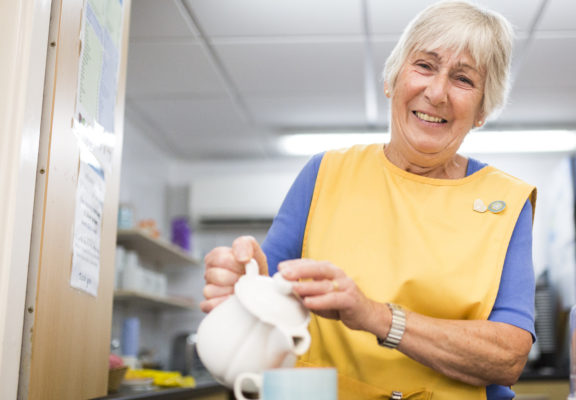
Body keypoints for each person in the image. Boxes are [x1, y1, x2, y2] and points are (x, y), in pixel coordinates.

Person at [201, 1, 537, 398]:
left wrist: (377, 317)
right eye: (424, 66)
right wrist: (244, 286)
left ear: (482, 110)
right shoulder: (325, 173)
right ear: (391, 79)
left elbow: (507, 358)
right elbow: (265, 313)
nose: (437, 92)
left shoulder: (506, 202)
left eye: (463, 79)